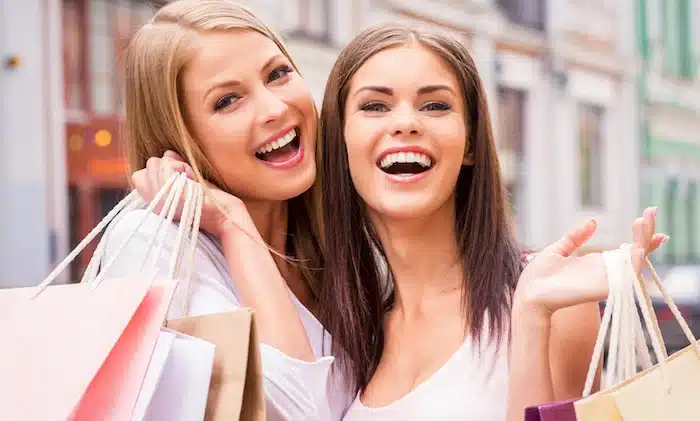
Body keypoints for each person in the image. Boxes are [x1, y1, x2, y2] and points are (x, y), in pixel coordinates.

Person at [315, 23, 667, 420]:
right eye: (375, 106)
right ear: (340, 142)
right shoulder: (345, 333)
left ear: (469, 144)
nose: (405, 122)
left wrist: (532, 317)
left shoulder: (550, 301)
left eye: (435, 105)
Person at [99, 1, 351, 420]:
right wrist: (234, 227)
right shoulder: (152, 242)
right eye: (228, 101)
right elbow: (298, 413)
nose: (273, 109)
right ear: (178, 136)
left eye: (278, 74)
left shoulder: (335, 238)